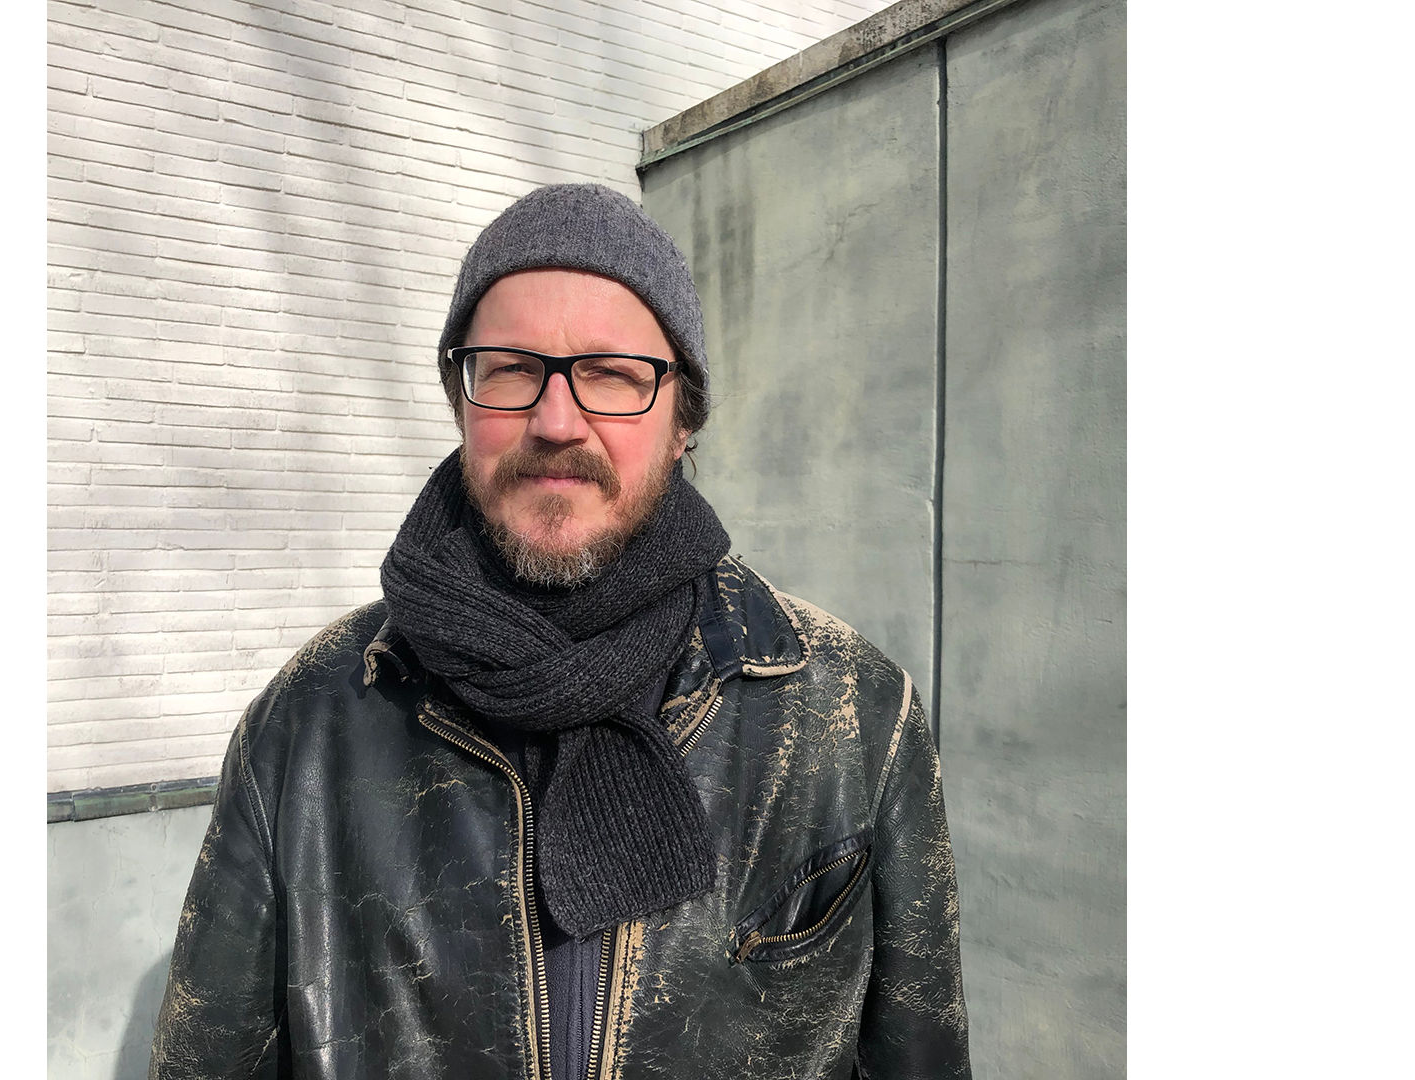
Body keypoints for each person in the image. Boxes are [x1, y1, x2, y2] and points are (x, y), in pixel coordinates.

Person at [148, 183, 970, 1080]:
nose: (556, 421)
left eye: (613, 374)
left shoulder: (852, 715)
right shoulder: (311, 722)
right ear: (462, 402)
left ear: (684, 420)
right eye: (509, 368)